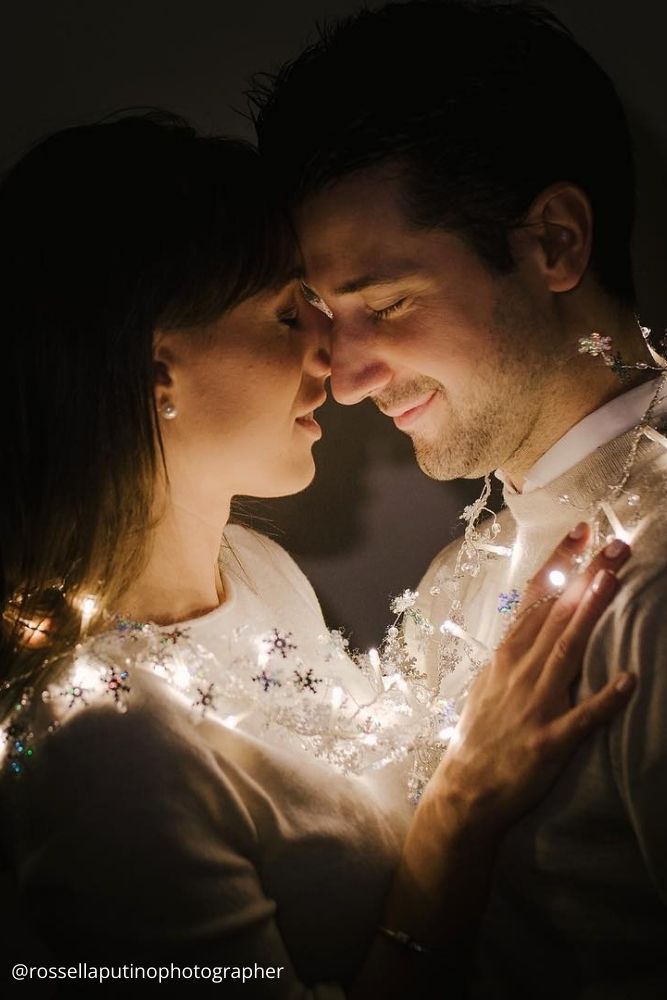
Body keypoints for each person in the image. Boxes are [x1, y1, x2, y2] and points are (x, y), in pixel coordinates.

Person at [0, 113, 634, 998]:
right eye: (282, 311)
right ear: (155, 369)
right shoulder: (96, 741)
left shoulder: (259, 572)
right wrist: (460, 812)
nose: (329, 358)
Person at [250, 1, 667, 995]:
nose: (344, 377)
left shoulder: (648, 589)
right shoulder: (465, 571)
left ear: (556, 243)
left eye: (385, 305)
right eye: (322, 317)